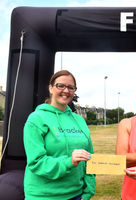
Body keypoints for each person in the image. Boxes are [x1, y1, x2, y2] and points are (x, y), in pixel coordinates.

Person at [23, 70, 95, 200]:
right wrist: (69, 161)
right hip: (44, 196)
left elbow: (90, 157)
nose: (66, 90)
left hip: (76, 194)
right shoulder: (36, 119)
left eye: (70, 87)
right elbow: (36, 162)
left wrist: (88, 191)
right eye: (60, 85)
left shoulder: (79, 120)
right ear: (51, 88)